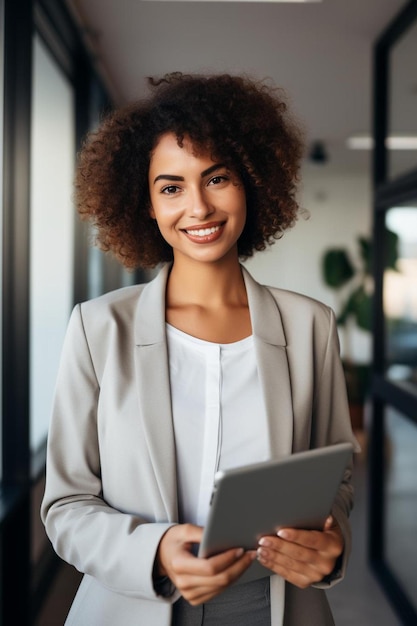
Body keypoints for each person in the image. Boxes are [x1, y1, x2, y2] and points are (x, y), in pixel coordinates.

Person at [41, 72, 359, 626]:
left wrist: (331, 544)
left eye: (217, 178)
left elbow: (338, 479)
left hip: (275, 606)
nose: (199, 207)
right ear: (145, 204)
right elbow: (66, 506)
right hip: (134, 604)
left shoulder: (311, 325)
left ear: (250, 182)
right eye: (171, 187)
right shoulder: (98, 328)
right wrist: (155, 552)